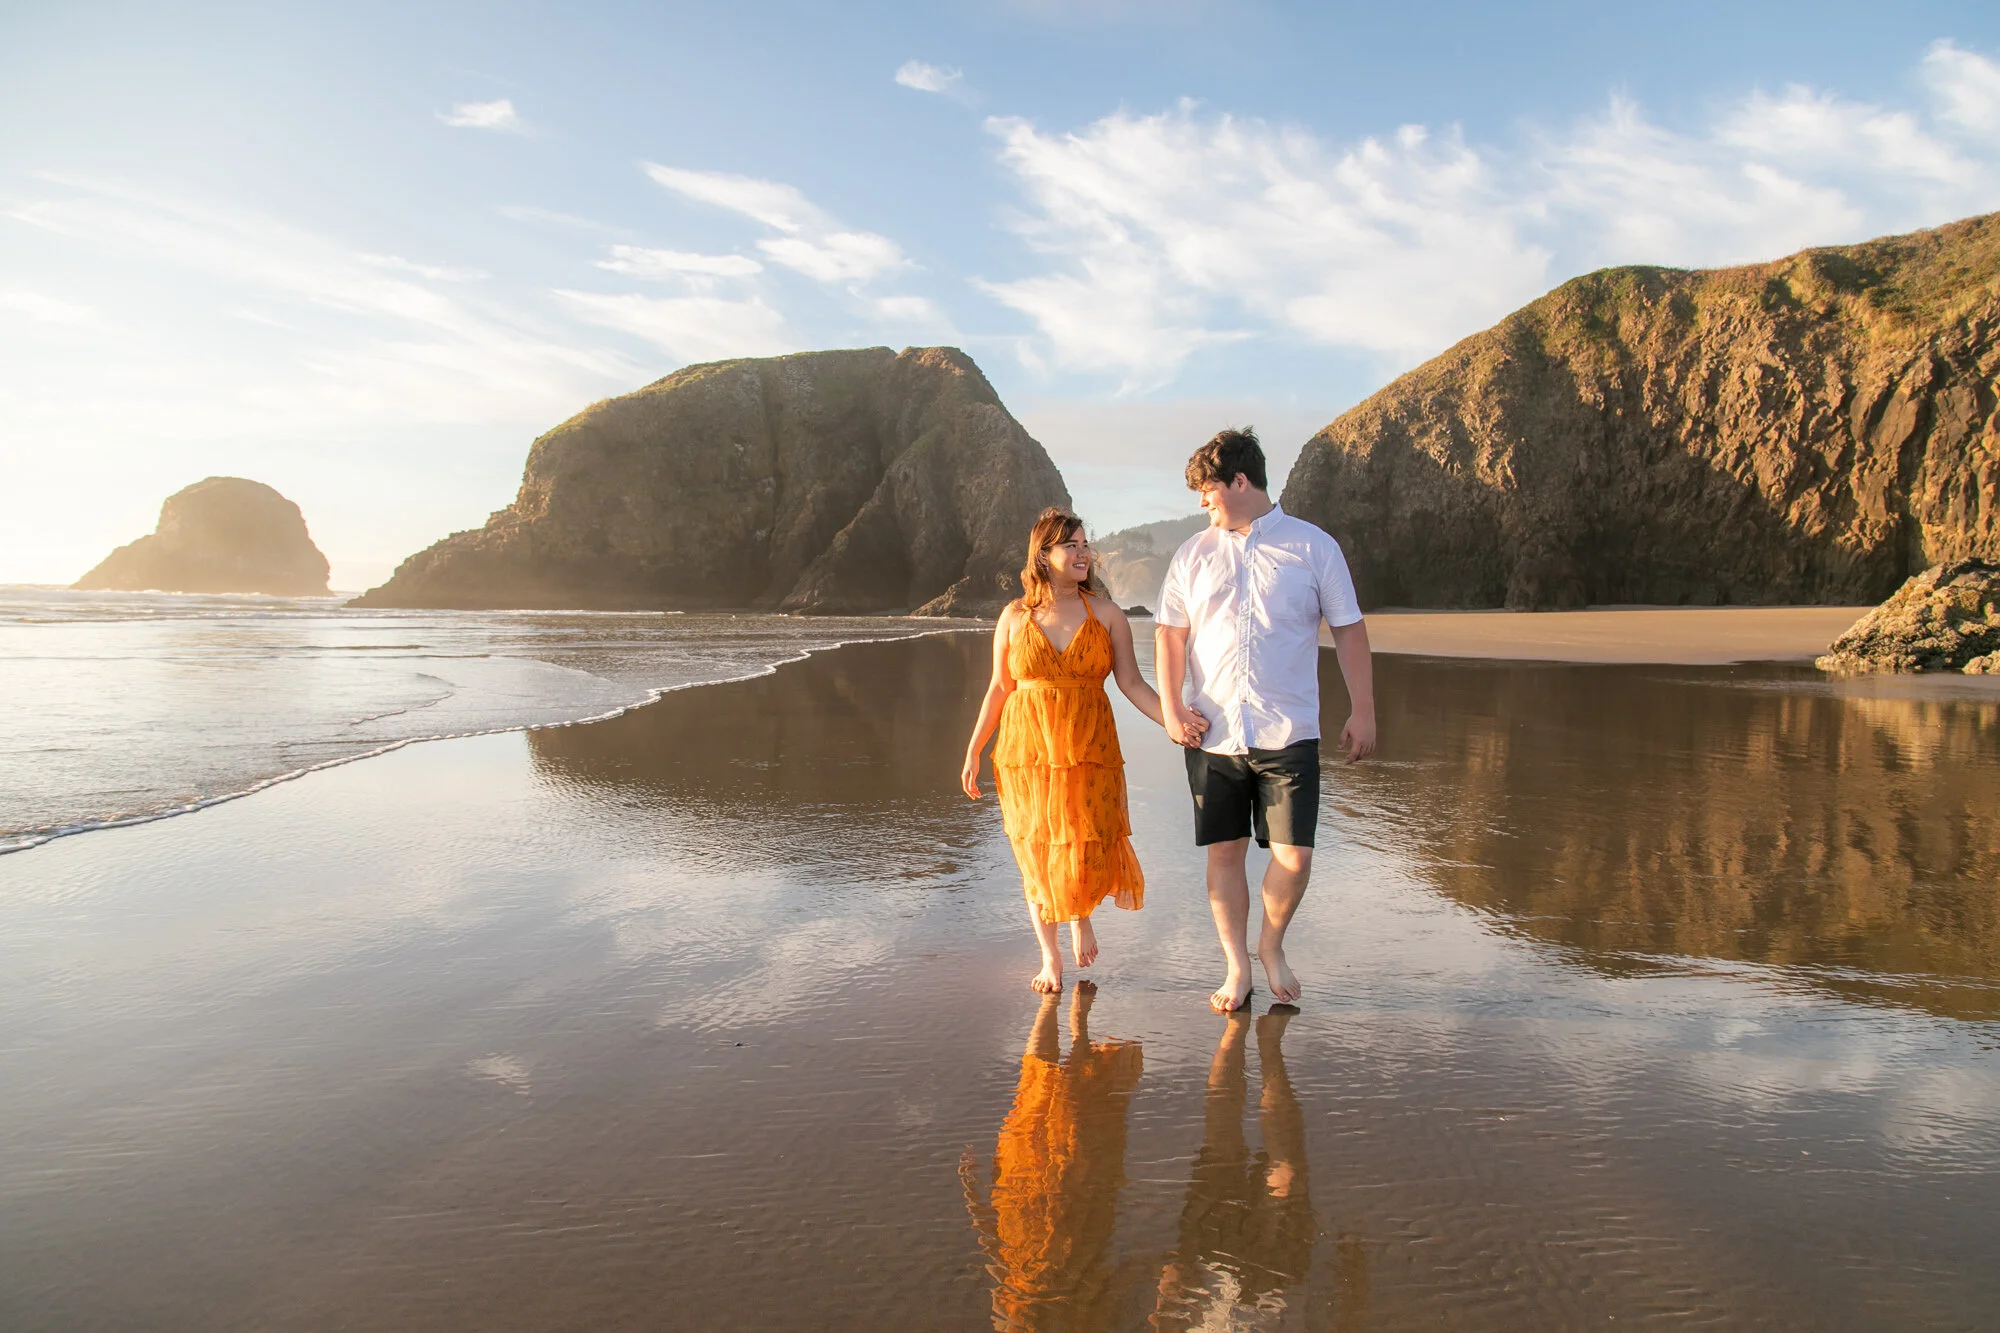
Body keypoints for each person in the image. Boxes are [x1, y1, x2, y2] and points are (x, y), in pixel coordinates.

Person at [1154, 428, 1376, 1013]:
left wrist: (1364, 709)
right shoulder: (1192, 554)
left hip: (1289, 730)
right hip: (1213, 731)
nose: (1202, 502)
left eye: (1207, 489)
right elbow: (1170, 635)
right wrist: (1172, 707)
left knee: (1294, 856)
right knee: (1224, 854)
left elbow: (1349, 630)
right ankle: (1237, 967)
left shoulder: (1313, 547)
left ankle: (1270, 945)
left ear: (1239, 481)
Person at [963, 507, 1166, 992]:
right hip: (1026, 753)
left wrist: (1175, 722)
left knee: (1083, 838)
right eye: (1070, 545)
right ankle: (1049, 957)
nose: (1082, 553)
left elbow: (1132, 682)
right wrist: (973, 751)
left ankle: (1079, 914)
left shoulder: (1107, 614)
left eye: (1084, 545)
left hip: (1087, 748)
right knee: (1036, 849)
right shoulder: (1014, 617)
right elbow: (999, 688)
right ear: (1043, 554)